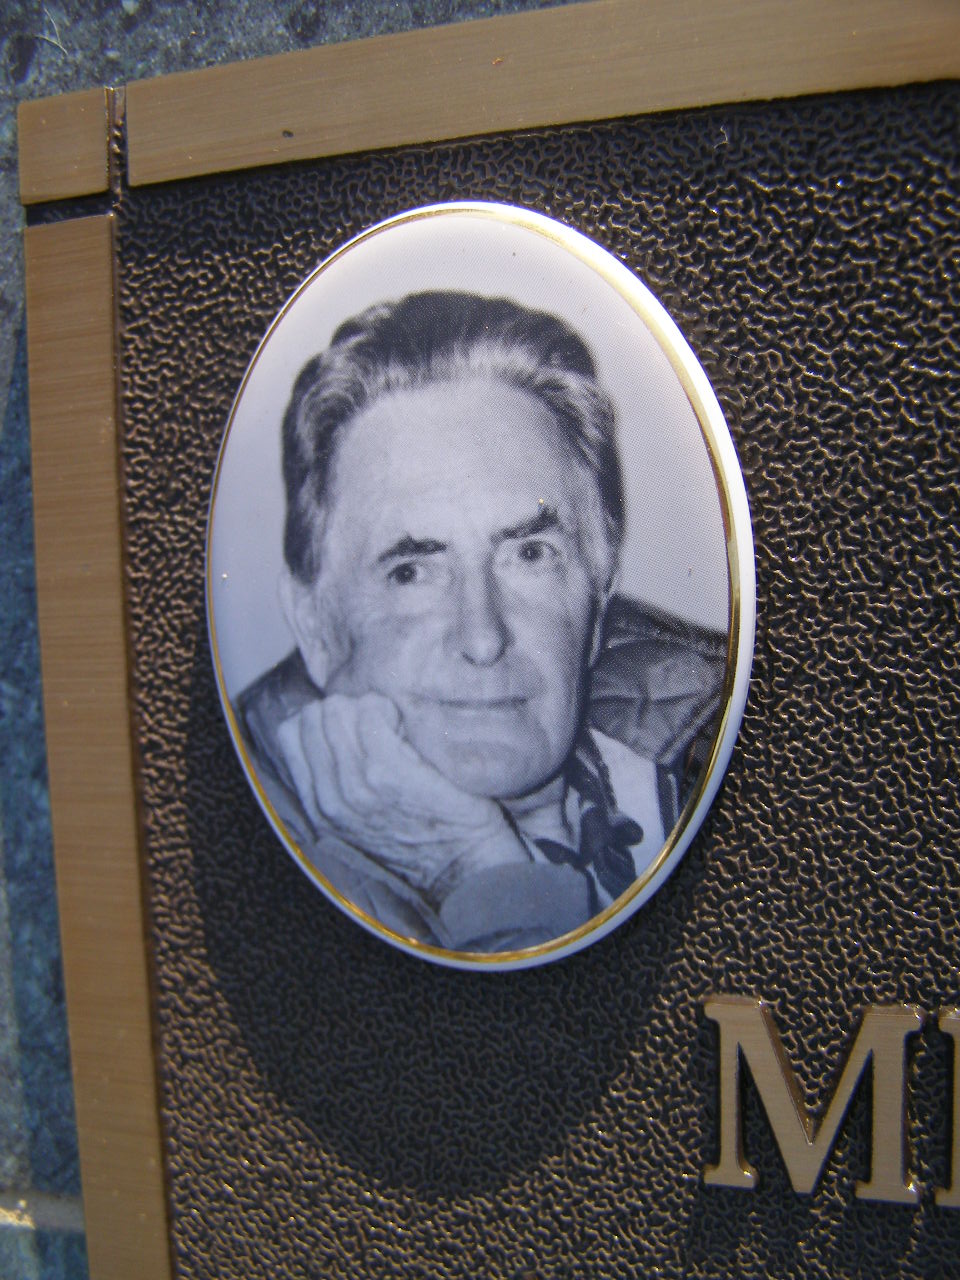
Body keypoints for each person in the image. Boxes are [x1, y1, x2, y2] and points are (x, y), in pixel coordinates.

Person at [235, 291, 726, 952]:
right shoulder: (245, 884)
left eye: (530, 555)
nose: (484, 637)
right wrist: (472, 868)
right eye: (412, 570)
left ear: (600, 587)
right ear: (315, 626)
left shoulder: (722, 756)